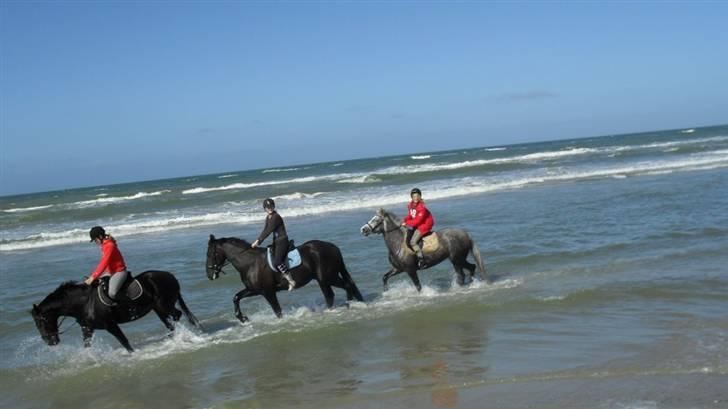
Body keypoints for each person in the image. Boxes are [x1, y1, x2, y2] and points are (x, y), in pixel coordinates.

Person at [251, 198, 296, 291]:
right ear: (265, 208)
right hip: (276, 241)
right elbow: (265, 229)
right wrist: (257, 240)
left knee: (277, 262)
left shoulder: (276, 217)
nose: (270, 208)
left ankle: (291, 280)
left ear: (274, 206)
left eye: (271, 206)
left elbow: (268, 230)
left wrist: (258, 241)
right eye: (267, 207)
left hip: (282, 241)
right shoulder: (268, 217)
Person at [84, 226, 129, 305]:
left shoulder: (109, 246)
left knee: (112, 293)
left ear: (100, 237)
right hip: (110, 271)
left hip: (119, 272)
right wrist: (93, 277)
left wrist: (93, 277)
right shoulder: (104, 245)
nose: (95, 242)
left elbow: (104, 263)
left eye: (95, 240)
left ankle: (128, 306)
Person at [401, 188, 434, 269]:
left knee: (413, 242)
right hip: (418, 223)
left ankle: (421, 260)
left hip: (424, 225)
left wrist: (407, 223)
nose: (415, 197)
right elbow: (410, 215)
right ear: (411, 197)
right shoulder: (411, 205)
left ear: (420, 197)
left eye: (417, 196)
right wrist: (404, 220)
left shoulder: (421, 207)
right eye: (414, 196)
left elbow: (418, 221)